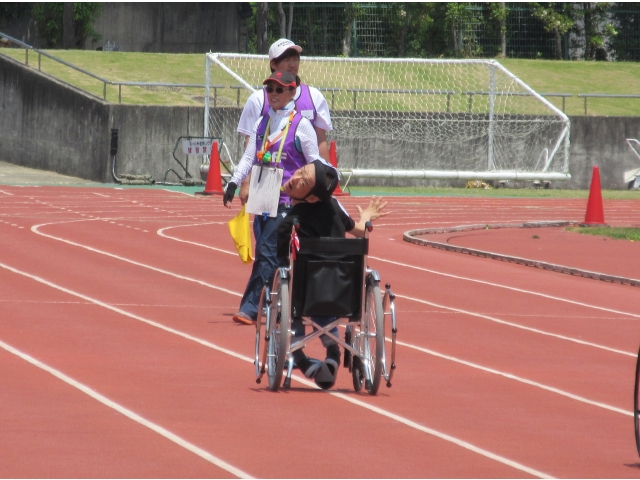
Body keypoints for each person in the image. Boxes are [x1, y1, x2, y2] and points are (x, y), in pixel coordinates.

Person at [223, 70, 334, 326]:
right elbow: (249, 157)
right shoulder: (261, 123)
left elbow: (315, 162)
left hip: (286, 201)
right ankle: (283, 303)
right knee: (274, 255)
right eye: (270, 89)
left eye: (279, 89)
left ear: (292, 92)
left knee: (267, 251)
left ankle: (251, 308)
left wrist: (329, 179)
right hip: (262, 198)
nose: (273, 94)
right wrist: (233, 183)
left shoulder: (301, 125)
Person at [276, 160, 388, 389]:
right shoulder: (335, 207)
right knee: (323, 289)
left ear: (311, 198)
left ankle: (300, 358)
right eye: (300, 172)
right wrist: (366, 216)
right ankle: (334, 352)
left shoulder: (289, 223)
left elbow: (281, 262)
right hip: (344, 294)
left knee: (289, 286)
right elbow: (360, 231)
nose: (295, 178)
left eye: (303, 181)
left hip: (305, 297)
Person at [236, 38, 333, 204]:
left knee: (303, 221)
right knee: (265, 221)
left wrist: (325, 181)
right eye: (286, 60)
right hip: (265, 184)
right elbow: (250, 147)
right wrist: (246, 182)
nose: (292, 64)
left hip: (303, 186)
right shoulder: (258, 99)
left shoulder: (314, 96)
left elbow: (321, 141)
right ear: (273, 64)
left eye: (295, 59)